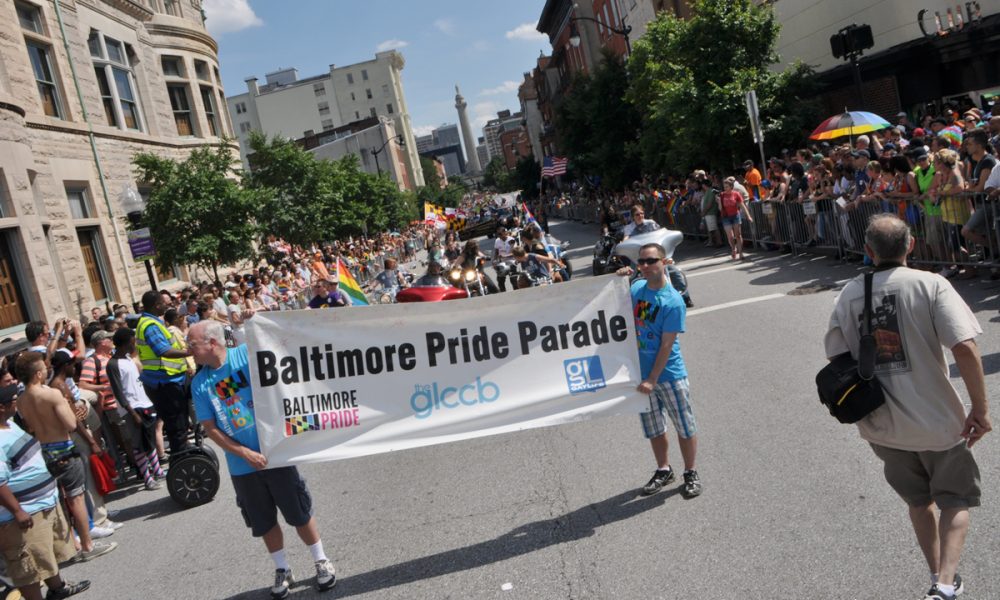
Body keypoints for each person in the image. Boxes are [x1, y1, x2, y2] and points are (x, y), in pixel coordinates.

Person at [824, 214, 990, 600]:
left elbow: (836, 356)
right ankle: (945, 583)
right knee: (955, 499)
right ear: (910, 246)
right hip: (938, 421)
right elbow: (964, 346)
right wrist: (980, 408)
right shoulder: (930, 284)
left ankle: (936, 574)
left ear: (867, 251)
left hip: (883, 425)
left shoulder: (849, 294)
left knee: (919, 502)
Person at [187, 321, 336, 599]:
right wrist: (244, 453)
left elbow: (282, 346)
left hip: (275, 455)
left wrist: (255, 319)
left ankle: (320, 560)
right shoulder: (200, 383)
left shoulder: (246, 355)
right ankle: (282, 568)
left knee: (298, 512)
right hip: (242, 465)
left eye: (192, 344)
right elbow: (210, 427)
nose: (187, 350)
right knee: (264, 520)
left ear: (212, 343)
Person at [615, 243, 702, 498]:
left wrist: (653, 378)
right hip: (642, 375)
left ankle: (690, 472)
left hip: (668, 375)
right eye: (640, 261)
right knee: (654, 427)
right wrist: (618, 279)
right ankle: (664, 469)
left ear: (664, 262)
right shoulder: (637, 288)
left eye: (650, 261)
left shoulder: (673, 301)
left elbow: (667, 344)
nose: (643, 266)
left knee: (684, 426)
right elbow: (614, 308)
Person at [13, 353, 117, 563]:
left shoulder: (21, 400)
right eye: (43, 368)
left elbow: (30, 428)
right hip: (63, 448)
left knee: (59, 500)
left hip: (42, 451)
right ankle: (87, 545)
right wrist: (75, 416)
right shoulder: (51, 394)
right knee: (76, 497)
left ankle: (74, 544)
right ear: (38, 373)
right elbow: (70, 424)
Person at [0, 384, 91, 600]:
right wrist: (17, 511)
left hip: (42, 502)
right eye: (11, 399)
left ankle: (57, 587)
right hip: (22, 513)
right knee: (29, 564)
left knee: (44, 553)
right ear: (0, 408)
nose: (16, 400)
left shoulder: (10, 425)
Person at [105, 328, 163, 491]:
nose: (135, 343)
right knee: (138, 445)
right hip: (132, 409)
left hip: (144, 403)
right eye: (133, 341)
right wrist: (131, 413)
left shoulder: (129, 359)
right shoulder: (113, 364)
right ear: (126, 343)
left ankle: (157, 471)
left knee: (149, 440)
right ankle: (147, 478)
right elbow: (118, 391)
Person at [136, 290, 192, 456]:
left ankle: (185, 453)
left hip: (170, 380)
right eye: (164, 302)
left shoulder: (152, 322)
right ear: (157, 305)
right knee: (176, 426)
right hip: (164, 384)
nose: (167, 305)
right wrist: (190, 352)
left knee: (180, 424)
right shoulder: (150, 326)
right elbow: (163, 351)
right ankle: (182, 460)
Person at [718, 178, 753, 260]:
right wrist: (719, 201)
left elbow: (742, 206)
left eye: (727, 187)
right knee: (730, 236)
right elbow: (720, 209)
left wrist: (748, 216)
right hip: (726, 217)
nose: (725, 188)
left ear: (731, 187)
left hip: (735, 216)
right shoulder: (722, 195)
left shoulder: (736, 194)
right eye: (724, 187)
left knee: (738, 235)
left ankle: (741, 253)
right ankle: (733, 249)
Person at [492, 227, 517, 292]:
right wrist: (494, 261)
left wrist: (505, 256)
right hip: (501, 263)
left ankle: (517, 291)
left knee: (513, 279)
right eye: (498, 234)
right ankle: (503, 293)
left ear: (505, 233)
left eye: (500, 234)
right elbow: (496, 252)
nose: (499, 236)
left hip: (511, 261)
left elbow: (514, 253)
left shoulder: (511, 240)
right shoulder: (497, 240)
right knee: (500, 280)